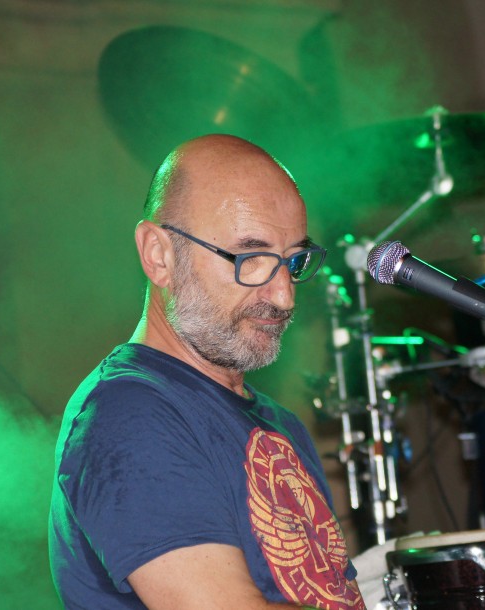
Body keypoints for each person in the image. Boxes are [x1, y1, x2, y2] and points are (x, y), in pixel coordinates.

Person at [48, 134, 365, 610]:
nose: (284, 296)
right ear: (159, 255)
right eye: (250, 258)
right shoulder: (128, 414)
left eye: (294, 260)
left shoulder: (281, 424)